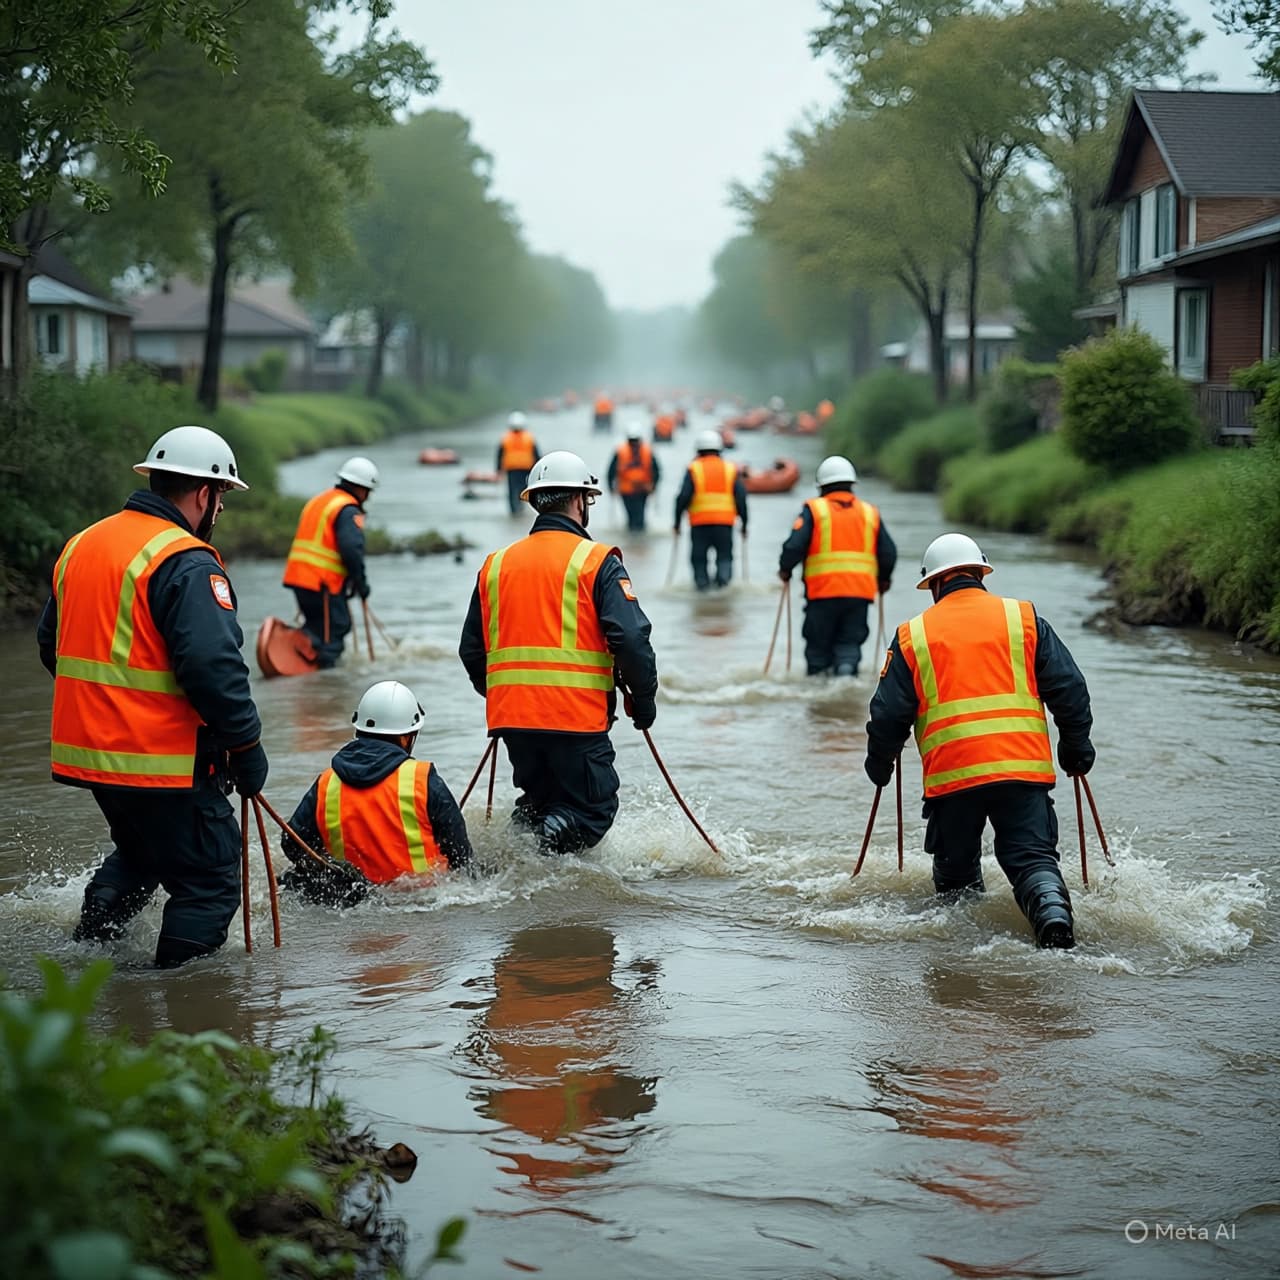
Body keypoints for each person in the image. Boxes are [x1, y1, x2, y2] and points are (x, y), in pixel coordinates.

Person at [36, 425, 267, 968]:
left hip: (91, 753)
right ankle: (178, 1012)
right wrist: (246, 744)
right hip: (160, 759)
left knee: (141, 855)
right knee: (209, 877)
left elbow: (53, 645)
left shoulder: (83, 544)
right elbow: (213, 665)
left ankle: (90, 960)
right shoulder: (186, 560)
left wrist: (103, 710)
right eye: (222, 500)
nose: (219, 513)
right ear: (205, 494)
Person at [864, 533, 1095, 949]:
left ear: (933, 584)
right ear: (980, 572)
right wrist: (1076, 746)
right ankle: (1054, 920)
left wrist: (880, 763)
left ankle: (963, 963)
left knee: (956, 880)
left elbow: (888, 713)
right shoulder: (1023, 618)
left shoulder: (912, 635)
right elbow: (1070, 687)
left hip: (953, 777)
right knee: (1033, 860)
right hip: (1022, 769)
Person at [458, 451, 659, 855]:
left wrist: (506, 695)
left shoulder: (496, 565)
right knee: (592, 809)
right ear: (579, 500)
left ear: (535, 500)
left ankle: (524, 869)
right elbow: (632, 639)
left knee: (539, 804)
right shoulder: (596, 562)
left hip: (513, 719)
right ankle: (540, 852)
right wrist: (644, 698)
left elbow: (471, 651)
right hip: (574, 718)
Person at [278, 680, 473, 907]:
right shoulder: (423, 780)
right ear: (405, 738)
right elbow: (462, 856)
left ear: (359, 730)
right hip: (421, 905)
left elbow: (292, 844)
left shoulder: (326, 782)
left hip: (351, 904)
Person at [777, 455, 897, 677]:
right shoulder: (870, 513)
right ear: (852, 484)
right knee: (849, 646)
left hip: (822, 593)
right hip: (859, 594)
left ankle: (820, 703)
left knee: (818, 652)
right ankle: (845, 677)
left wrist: (785, 569)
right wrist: (884, 579)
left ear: (821, 486)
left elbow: (794, 545)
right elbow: (888, 552)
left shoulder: (814, 510)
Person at [282, 455, 377, 668]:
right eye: (368, 492)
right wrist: (361, 583)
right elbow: (352, 549)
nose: (367, 498)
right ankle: (324, 683)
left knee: (318, 629)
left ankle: (302, 666)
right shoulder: (347, 508)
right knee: (335, 631)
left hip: (300, 579)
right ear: (360, 488)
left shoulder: (320, 500)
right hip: (322, 583)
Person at [673, 429, 748, 590]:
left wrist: (677, 522)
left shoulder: (694, 468)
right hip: (725, 524)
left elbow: (683, 497)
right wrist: (745, 524)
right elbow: (741, 498)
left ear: (698, 449)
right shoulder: (730, 468)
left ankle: (703, 589)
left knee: (699, 560)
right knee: (725, 558)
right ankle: (722, 588)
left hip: (699, 525)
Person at [607, 427, 660, 532]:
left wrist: (654, 486)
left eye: (635, 441)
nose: (634, 443)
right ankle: (634, 540)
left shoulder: (648, 451)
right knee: (631, 516)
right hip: (627, 490)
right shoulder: (621, 451)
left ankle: (638, 540)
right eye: (632, 441)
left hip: (642, 490)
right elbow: (611, 471)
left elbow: (656, 471)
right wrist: (610, 487)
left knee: (640, 516)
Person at [497, 411, 540, 515]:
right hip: (525, 468)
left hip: (513, 469)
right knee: (523, 489)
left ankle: (514, 511)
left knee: (513, 490)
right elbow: (536, 454)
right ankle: (520, 508)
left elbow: (500, 455)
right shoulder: (529, 437)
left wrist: (498, 469)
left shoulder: (505, 437)